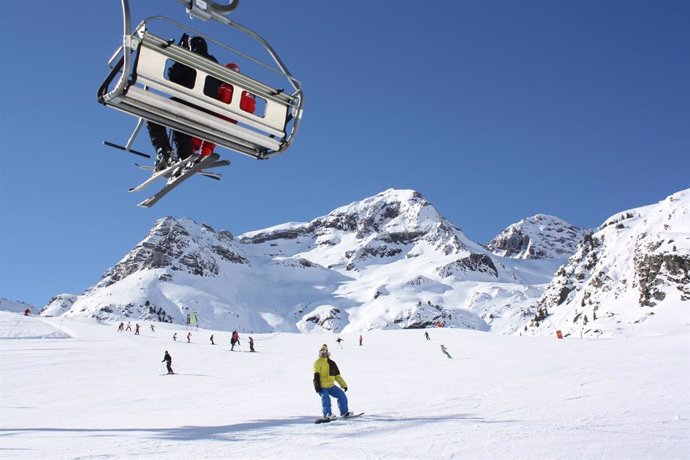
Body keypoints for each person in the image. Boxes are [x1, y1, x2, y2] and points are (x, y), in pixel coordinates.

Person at [146, 35, 220, 172]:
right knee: (180, 122)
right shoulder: (215, 64)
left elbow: (173, 77)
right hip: (207, 113)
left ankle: (164, 150)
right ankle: (185, 157)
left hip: (186, 106)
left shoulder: (189, 56)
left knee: (154, 112)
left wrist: (181, 53)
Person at [313, 344, 352, 420]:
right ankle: (327, 414)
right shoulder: (317, 362)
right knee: (326, 398)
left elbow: (337, 376)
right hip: (322, 386)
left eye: (325, 352)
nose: (324, 353)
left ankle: (344, 412)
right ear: (320, 353)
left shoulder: (332, 363)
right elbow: (316, 375)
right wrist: (317, 386)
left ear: (328, 353)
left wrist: (343, 385)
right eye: (322, 352)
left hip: (331, 386)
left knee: (341, 395)